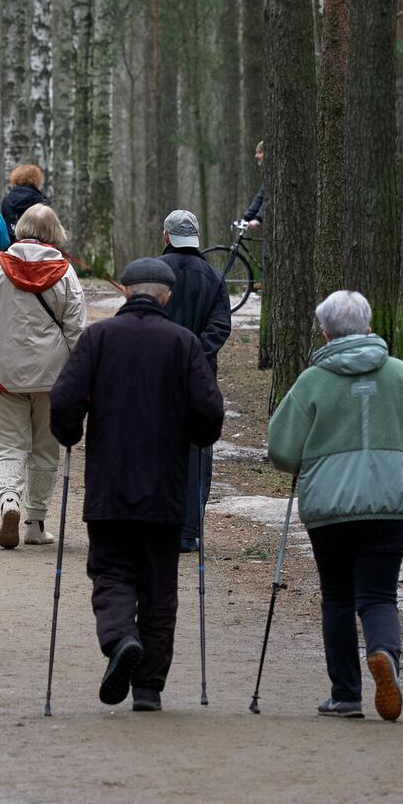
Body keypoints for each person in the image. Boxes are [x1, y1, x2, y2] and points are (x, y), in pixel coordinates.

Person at [50, 257, 225, 712]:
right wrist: (198, 437)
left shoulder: (99, 338)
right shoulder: (183, 343)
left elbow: (65, 399)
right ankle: (148, 687)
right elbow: (209, 413)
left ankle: (119, 638)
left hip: (109, 484)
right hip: (167, 488)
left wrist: (69, 432)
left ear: (126, 292)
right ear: (167, 296)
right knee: (159, 585)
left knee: (111, 572)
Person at [267, 290, 403, 721]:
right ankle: (384, 654)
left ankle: (346, 694)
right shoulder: (401, 375)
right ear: (368, 327)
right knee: (379, 595)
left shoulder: (312, 380)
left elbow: (281, 450)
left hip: (329, 508)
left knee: (338, 598)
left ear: (325, 332)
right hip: (390, 504)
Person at [0, 204, 85, 550]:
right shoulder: (66, 274)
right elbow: (77, 332)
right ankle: (35, 522)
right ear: (55, 233)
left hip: (1, 372)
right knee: (46, 448)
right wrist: (82, 380)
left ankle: (9, 501)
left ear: (19, 228)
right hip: (54, 375)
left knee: (7, 445)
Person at [158, 209, 232, 553]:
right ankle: (188, 531)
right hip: (200, 377)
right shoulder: (213, 277)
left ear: (166, 236)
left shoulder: (156, 274)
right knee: (196, 451)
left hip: (157, 375)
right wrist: (195, 354)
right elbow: (220, 327)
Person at [0, 163, 50, 233]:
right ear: (36, 179)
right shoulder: (40, 202)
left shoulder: (6, 201)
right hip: (35, 241)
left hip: (12, 241)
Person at [241, 140, 266, 230]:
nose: (256, 156)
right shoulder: (268, 175)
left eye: (259, 152)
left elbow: (269, 198)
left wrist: (259, 219)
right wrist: (246, 218)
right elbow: (260, 197)